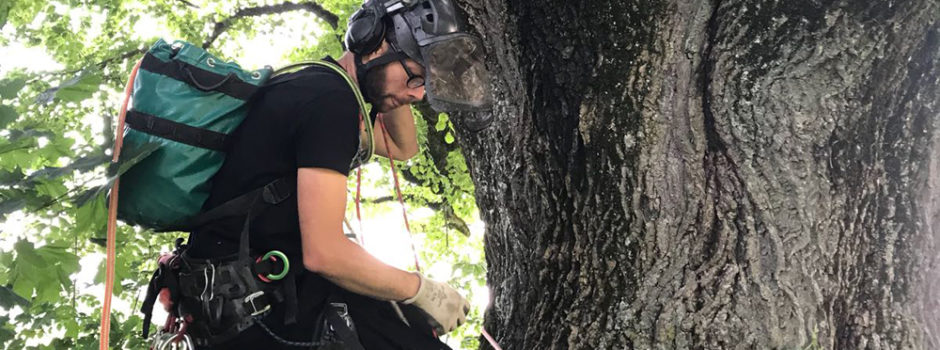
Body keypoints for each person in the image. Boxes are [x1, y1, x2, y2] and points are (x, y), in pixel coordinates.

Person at [173, 0, 492, 348]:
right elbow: (324, 253)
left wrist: (391, 92)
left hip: (260, 296)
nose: (418, 94)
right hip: (260, 309)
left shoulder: (322, 87)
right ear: (374, 43)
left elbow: (403, 148)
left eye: (425, 85)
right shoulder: (327, 101)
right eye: (415, 76)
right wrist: (423, 291)